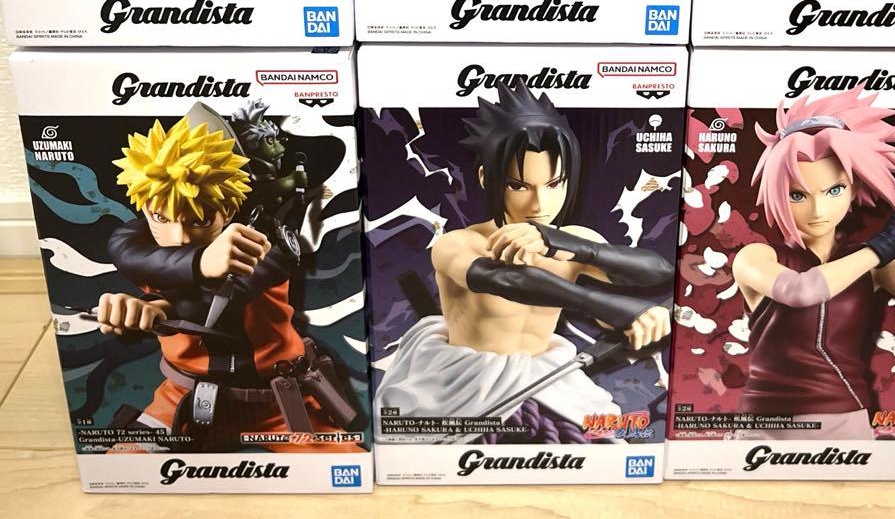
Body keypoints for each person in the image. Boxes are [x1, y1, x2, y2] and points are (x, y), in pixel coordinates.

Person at [376, 81, 674, 443]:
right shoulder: (459, 243)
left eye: (554, 184)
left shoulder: (574, 241)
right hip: (464, 384)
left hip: (549, 378)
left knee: (606, 446)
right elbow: (507, 281)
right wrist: (613, 306)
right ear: (488, 178)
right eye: (519, 186)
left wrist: (569, 245)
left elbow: (657, 270)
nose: (539, 205)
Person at [730, 86, 895, 440]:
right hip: (766, 424)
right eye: (797, 194)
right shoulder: (757, 256)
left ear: (854, 188)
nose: (818, 210)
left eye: (834, 190)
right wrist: (881, 247)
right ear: (778, 192)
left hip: (846, 418)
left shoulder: (865, 260)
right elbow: (799, 290)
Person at [95, 108, 362, 451]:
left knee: (339, 464)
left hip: (279, 402)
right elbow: (129, 253)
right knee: (124, 462)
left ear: (231, 210)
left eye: (200, 220)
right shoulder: (136, 240)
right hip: (184, 396)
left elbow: (219, 300)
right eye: (161, 216)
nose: (179, 237)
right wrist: (197, 264)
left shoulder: (268, 243)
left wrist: (158, 307)